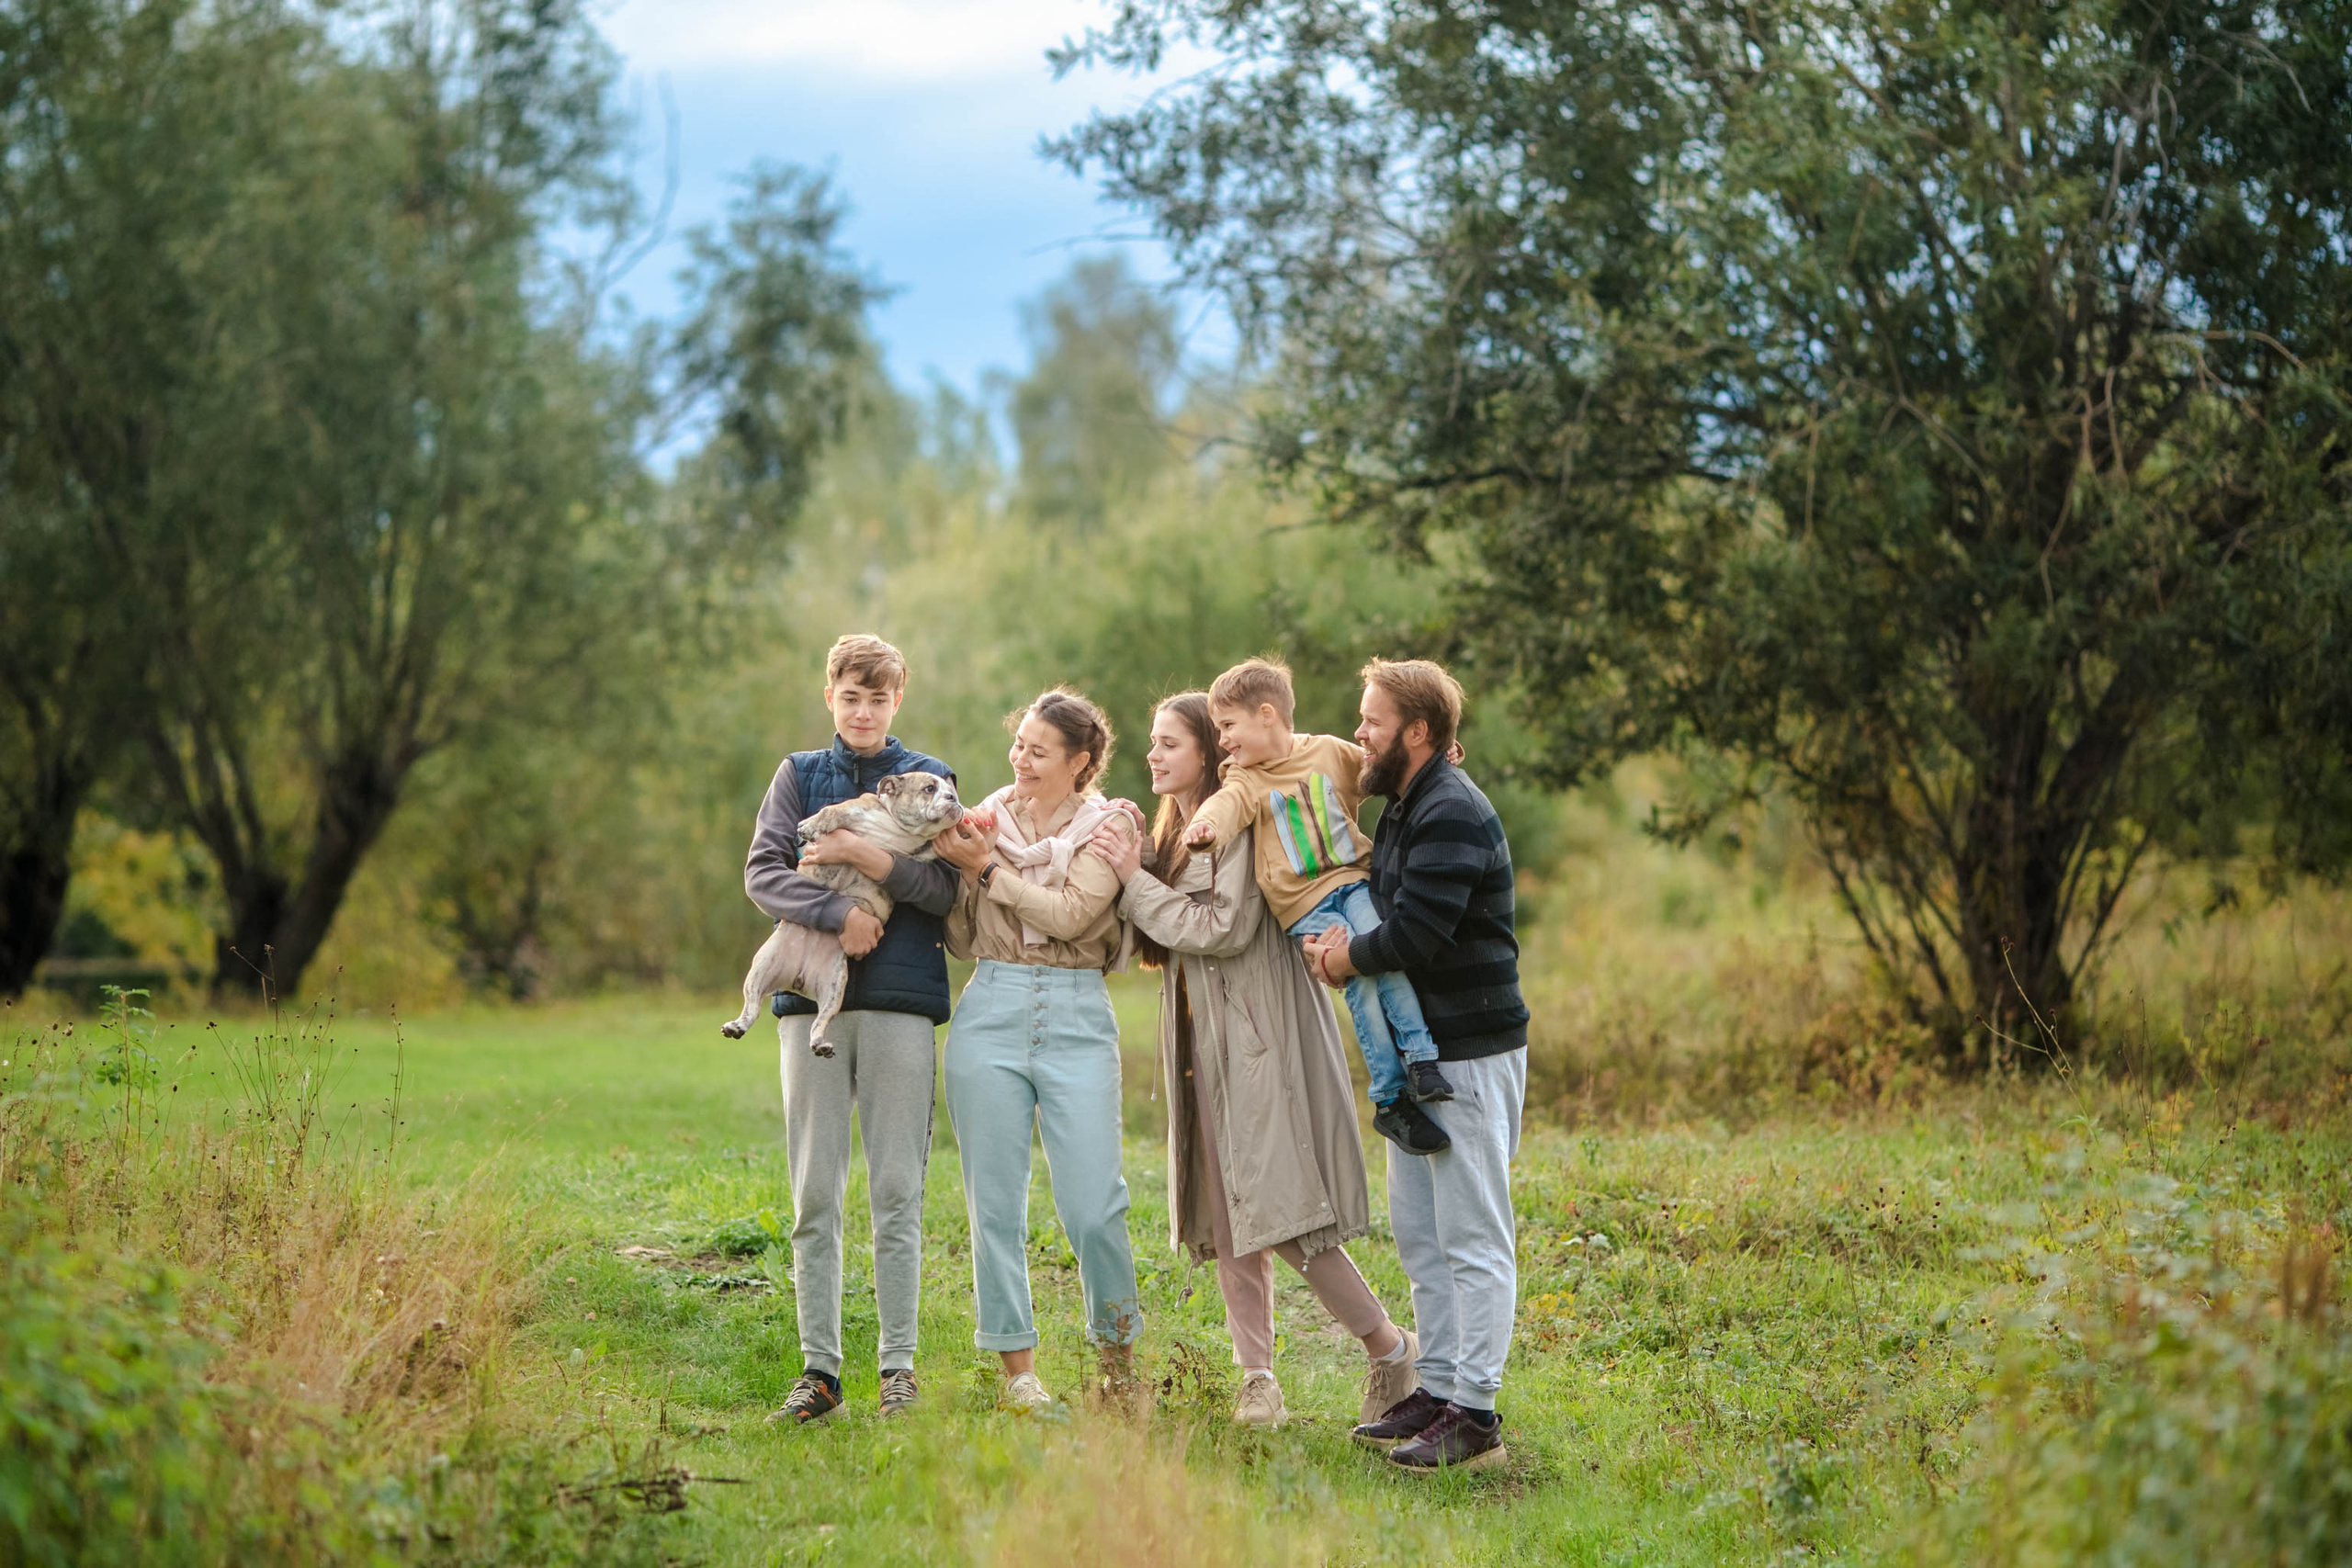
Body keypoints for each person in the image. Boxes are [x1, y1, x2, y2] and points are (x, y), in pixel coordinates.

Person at [1097, 692, 1421, 1429]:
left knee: (1284, 1212)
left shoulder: (1236, 819)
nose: (1153, 755)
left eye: (1169, 743)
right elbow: (1152, 935)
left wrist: (1132, 880)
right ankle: (1258, 1378)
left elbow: (1224, 925)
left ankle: (1390, 1345)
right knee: (1233, 1212)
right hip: (1205, 1041)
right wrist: (1128, 853)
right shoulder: (1179, 827)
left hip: (1259, 1035)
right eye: (1151, 741)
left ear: (1210, 750)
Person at [1305, 658, 1529, 1474]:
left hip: (1468, 1053)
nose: (1358, 733)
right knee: (1423, 1235)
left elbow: (1414, 936)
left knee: (1473, 1236)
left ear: (1419, 730)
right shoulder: (1405, 805)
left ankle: (1476, 1412)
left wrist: (1342, 959)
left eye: (1370, 721)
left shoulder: (1451, 813)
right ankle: (1435, 1389)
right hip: (1421, 1057)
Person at [742, 634, 960, 1425]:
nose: (864, 711)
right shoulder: (799, 777)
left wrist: (869, 862)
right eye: (850, 697)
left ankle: (898, 1367)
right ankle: (820, 1371)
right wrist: (838, 915)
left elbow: (944, 890)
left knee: (898, 1188)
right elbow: (763, 873)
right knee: (814, 1192)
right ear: (830, 695)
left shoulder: (934, 778)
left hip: (901, 1004)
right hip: (810, 1008)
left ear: (897, 699)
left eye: (878, 698)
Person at [931, 687, 1145, 1413]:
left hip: (1078, 1014)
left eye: (1037, 749)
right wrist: (964, 871)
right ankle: (1019, 1373)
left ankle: (1117, 1363)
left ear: (1079, 762)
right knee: (993, 1204)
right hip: (989, 1008)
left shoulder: (1110, 826)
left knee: (1095, 1205)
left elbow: (1075, 914)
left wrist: (991, 872)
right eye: (1017, 743)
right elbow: (962, 939)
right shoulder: (983, 821)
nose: (1019, 758)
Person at [1182, 657, 1450, 1155]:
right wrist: (1205, 828)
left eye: (1228, 726)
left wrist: (1439, 753)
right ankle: (1390, 1098)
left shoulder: (1328, 752)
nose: (1223, 740)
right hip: (1307, 907)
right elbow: (1224, 807)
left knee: (1383, 960)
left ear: (1267, 714)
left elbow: (1381, 767)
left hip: (1354, 883)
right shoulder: (1242, 777)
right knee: (1362, 988)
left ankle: (1422, 1058)